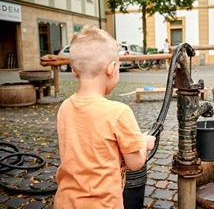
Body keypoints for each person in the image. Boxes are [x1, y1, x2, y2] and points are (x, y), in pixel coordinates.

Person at [54, 25, 156, 209]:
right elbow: (135, 163)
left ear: (74, 71)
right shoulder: (119, 113)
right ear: (112, 68)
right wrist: (144, 143)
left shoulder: (65, 107)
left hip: (65, 202)